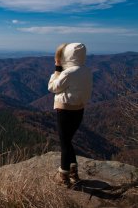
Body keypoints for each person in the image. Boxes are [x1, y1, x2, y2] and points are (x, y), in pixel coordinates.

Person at [48, 43, 93, 187]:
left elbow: (52, 87)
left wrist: (57, 69)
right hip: (79, 110)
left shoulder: (68, 73)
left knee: (64, 143)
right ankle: (74, 173)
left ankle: (64, 176)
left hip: (65, 110)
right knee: (68, 141)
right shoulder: (86, 70)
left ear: (67, 55)